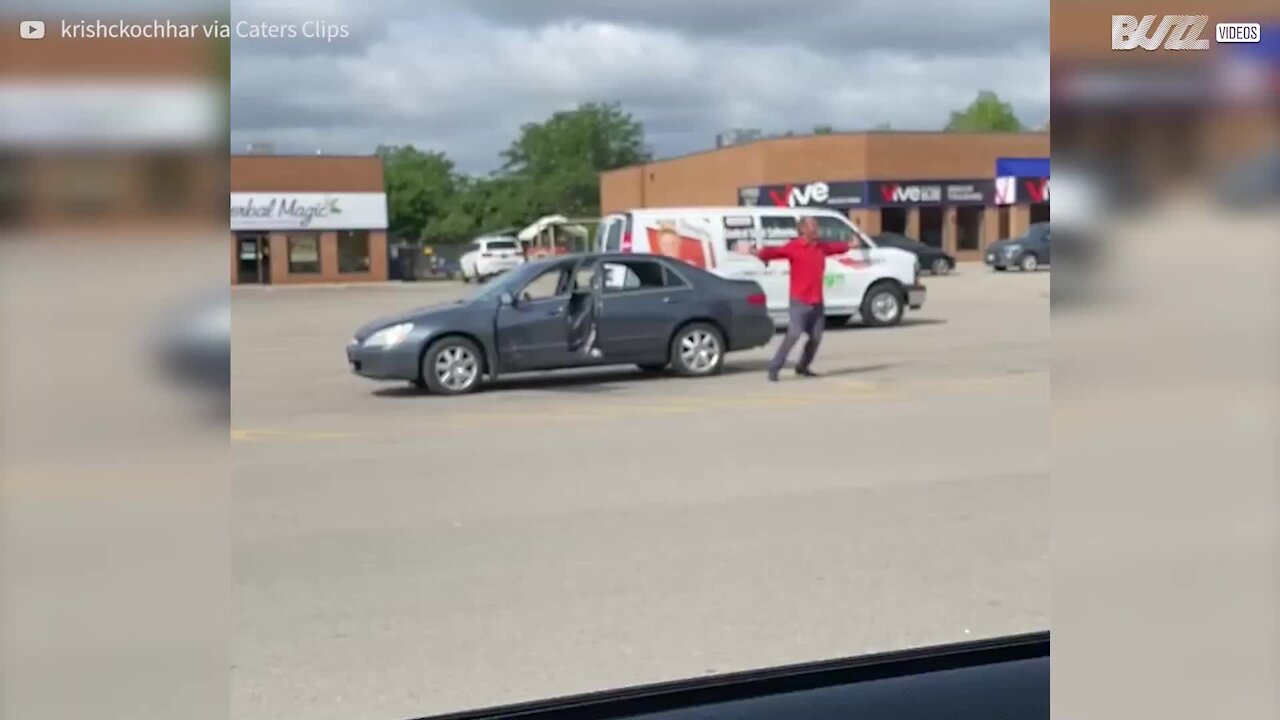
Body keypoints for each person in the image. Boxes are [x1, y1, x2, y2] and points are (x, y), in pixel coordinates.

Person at [755, 216, 851, 381]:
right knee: (794, 334)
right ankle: (775, 367)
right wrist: (759, 253)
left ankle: (803, 366)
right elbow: (774, 252)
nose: (816, 229)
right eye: (813, 226)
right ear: (803, 230)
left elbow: (836, 248)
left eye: (816, 226)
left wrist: (849, 245)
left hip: (817, 301)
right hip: (799, 300)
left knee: (816, 337)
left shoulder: (821, 247)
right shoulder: (794, 247)